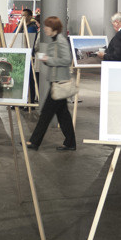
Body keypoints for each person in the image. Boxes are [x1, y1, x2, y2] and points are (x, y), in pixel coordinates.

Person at [26, 16, 76, 151]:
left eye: (46, 26)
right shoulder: (54, 41)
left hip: (59, 82)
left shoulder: (61, 41)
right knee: (63, 114)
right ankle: (70, 143)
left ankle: (34, 142)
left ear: (53, 28)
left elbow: (66, 60)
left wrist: (50, 59)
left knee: (46, 114)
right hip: (56, 81)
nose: (44, 29)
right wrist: (46, 59)